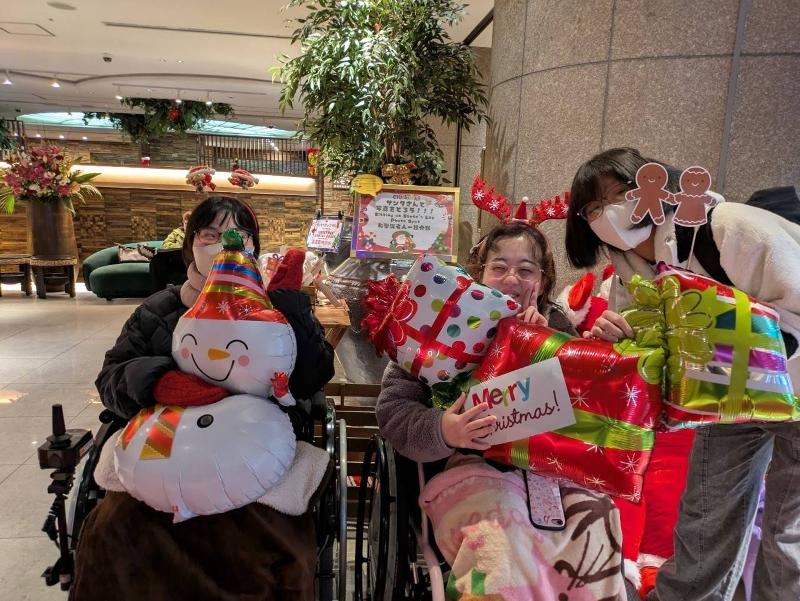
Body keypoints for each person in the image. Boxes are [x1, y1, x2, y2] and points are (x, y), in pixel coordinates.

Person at [71, 196, 335, 601]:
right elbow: (111, 378)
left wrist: (292, 308)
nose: (224, 243)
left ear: (254, 247)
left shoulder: (272, 307)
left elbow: (313, 380)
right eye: (210, 234)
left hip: (255, 451)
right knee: (116, 528)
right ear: (190, 244)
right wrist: (159, 381)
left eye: (239, 235)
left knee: (262, 542)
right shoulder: (159, 310)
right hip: (165, 441)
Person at [565, 147, 800, 601]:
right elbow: (645, 352)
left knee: (788, 534)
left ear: (658, 186)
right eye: (594, 206)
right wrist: (617, 339)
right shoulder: (627, 272)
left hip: (794, 385)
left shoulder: (729, 226)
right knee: (704, 519)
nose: (610, 211)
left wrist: (735, 349)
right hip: (729, 399)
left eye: (622, 193)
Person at [376, 221, 627, 600]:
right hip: (469, 473)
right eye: (499, 267)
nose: (511, 279)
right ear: (479, 273)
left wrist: (553, 347)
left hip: (551, 476)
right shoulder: (436, 323)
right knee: (501, 543)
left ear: (542, 281)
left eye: (526, 269)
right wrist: (444, 429)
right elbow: (394, 410)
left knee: (598, 518)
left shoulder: (558, 325)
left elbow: (589, 413)